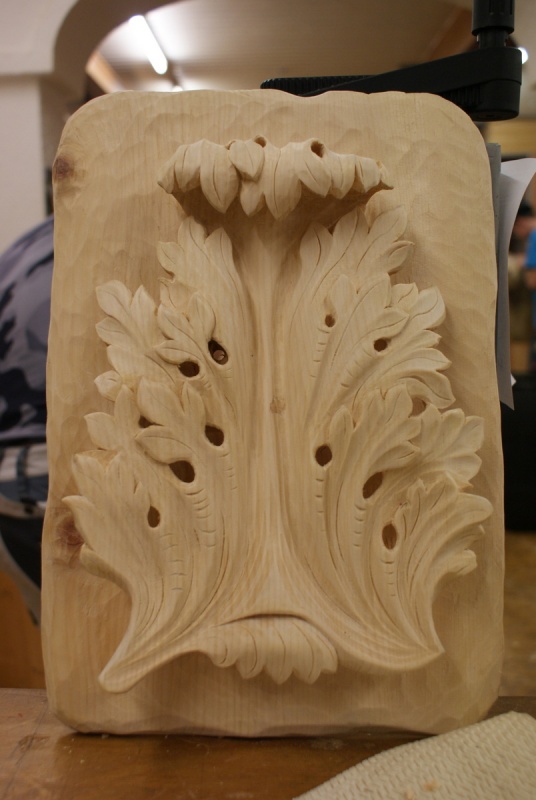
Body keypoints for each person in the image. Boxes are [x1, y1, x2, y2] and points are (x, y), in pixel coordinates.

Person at [0, 216, 53, 623]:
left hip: (10, 489)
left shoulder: (21, 250)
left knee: (68, 644)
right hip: (59, 470)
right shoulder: (112, 233)